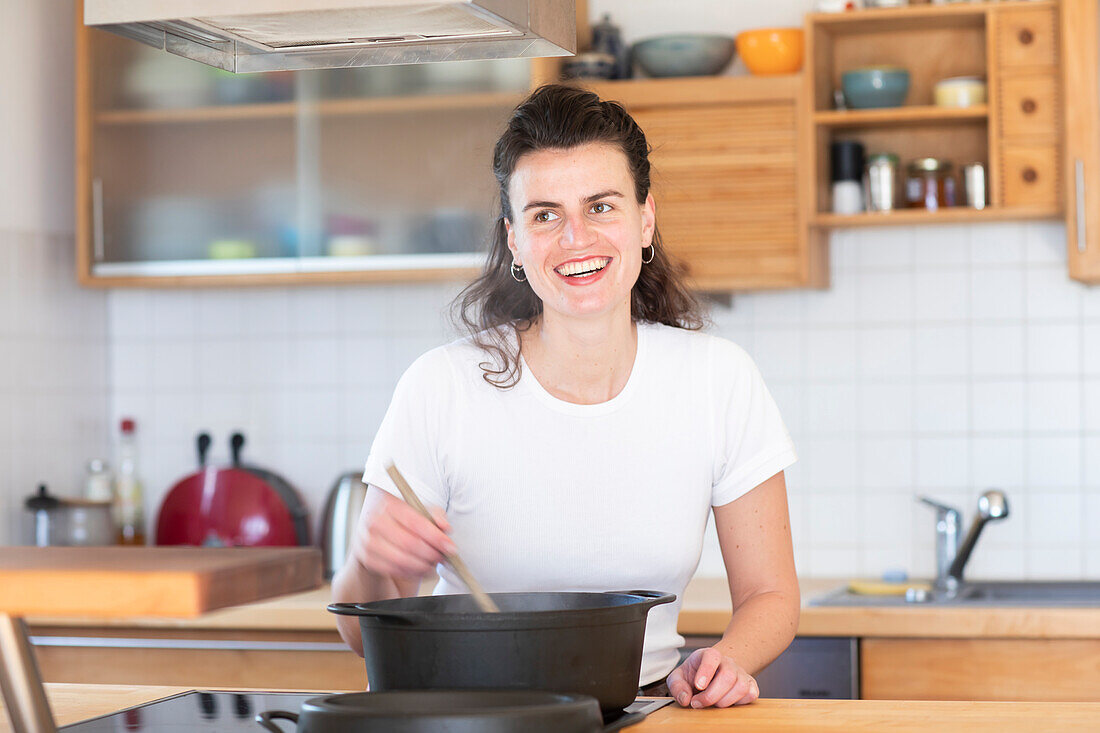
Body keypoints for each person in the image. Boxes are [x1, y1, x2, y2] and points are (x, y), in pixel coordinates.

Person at [332, 84, 800, 710]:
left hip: (643, 712)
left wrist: (726, 662)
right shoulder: (439, 387)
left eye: (601, 206)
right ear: (515, 241)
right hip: (469, 718)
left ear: (645, 220)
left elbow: (771, 594)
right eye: (545, 214)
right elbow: (362, 634)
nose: (575, 238)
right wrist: (370, 564)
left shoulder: (719, 379)